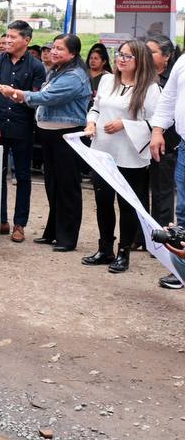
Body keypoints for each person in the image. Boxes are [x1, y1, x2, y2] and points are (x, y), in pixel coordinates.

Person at [0, 34, 90, 252]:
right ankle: (53, 232)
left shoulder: (75, 76)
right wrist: (21, 96)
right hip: (49, 134)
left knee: (67, 187)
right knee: (52, 184)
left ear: (73, 53)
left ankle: (67, 238)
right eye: (53, 48)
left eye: (60, 49)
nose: (54, 52)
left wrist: (18, 94)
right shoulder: (56, 71)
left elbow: (47, 97)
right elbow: (42, 97)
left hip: (67, 135)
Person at [82, 39, 160, 273]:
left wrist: (125, 124)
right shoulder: (107, 80)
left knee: (127, 205)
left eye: (127, 56)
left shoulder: (150, 88)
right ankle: (104, 248)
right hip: (102, 151)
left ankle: (124, 252)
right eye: (119, 54)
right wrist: (91, 122)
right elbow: (96, 108)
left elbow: (156, 122)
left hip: (130, 155)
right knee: (103, 201)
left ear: (140, 60)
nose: (121, 59)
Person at [0, 20, 47, 242]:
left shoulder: (37, 67)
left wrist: (14, 94)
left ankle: (19, 224)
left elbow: (36, 99)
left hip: (23, 127)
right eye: (8, 36)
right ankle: (0, 219)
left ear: (26, 40)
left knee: (23, 176)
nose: (8, 40)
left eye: (13, 37)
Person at [150, 42, 185, 289]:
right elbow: (169, 99)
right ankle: (181, 270)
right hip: (184, 146)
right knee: (182, 211)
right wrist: (157, 130)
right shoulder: (183, 62)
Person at [145, 34, 179, 230]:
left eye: (152, 52)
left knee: (162, 191)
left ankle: (161, 235)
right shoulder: (140, 75)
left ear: (166, 56)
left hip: (166, 142)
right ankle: (140, 235)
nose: (146, 55)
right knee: (139, 190)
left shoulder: (173, 78)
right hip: (138, 141)